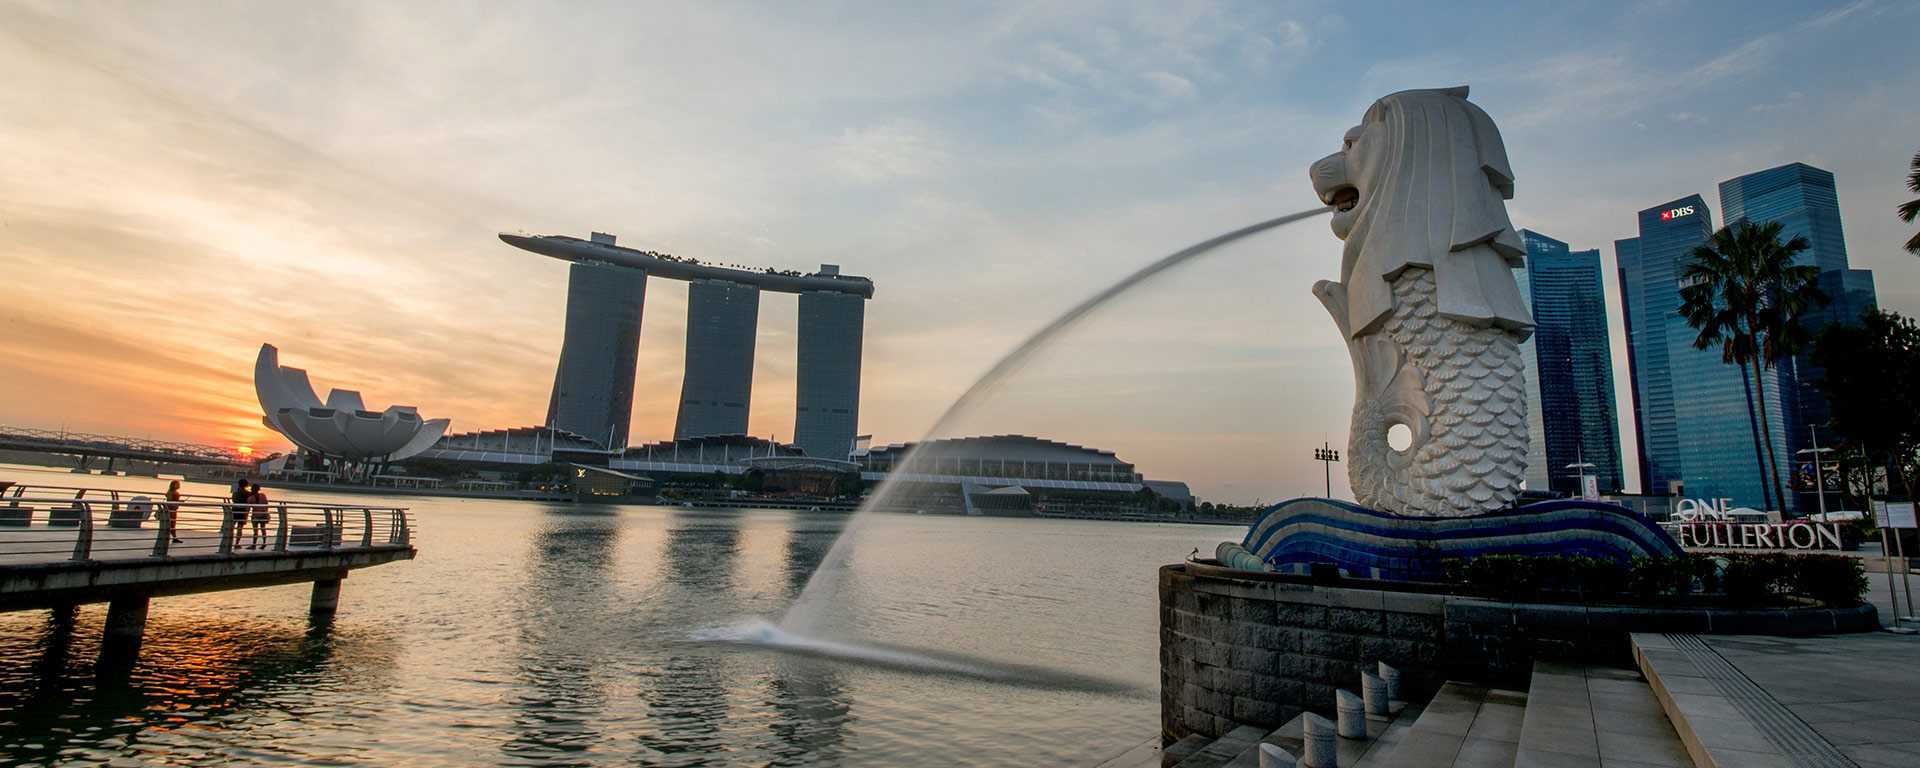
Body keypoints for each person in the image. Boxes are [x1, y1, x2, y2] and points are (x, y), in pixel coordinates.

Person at [229, 479, 251, 549]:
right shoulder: (246, 493)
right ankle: (236, 543)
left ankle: (228, 542)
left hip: (234, 509)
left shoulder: (235, 491)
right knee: (240, 528)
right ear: (246, 485)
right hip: (242, 511)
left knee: (231, 527)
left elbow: (233, 499)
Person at [248, 484, 271, 549]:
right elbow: (266, 505)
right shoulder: (263, 495)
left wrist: (245, 515)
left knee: (255, 531)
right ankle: (264, 543)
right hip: (263, 515)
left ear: (252, 490)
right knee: (263, 529)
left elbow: (248, 508)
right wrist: (266, 514)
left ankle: (254, 544)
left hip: (255, 516)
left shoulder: (250, 498)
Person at [163, 480, 183, 544]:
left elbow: (169, 499)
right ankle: (174, 538)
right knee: (172, 525)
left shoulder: (169, 492)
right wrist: (179, 502)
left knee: (168, 524)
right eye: (178, 484)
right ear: (175, 485)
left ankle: (170, 537)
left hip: (167, 509)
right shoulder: (175, 493)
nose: (179, 485)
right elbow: (175, 503)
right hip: (172, 511)